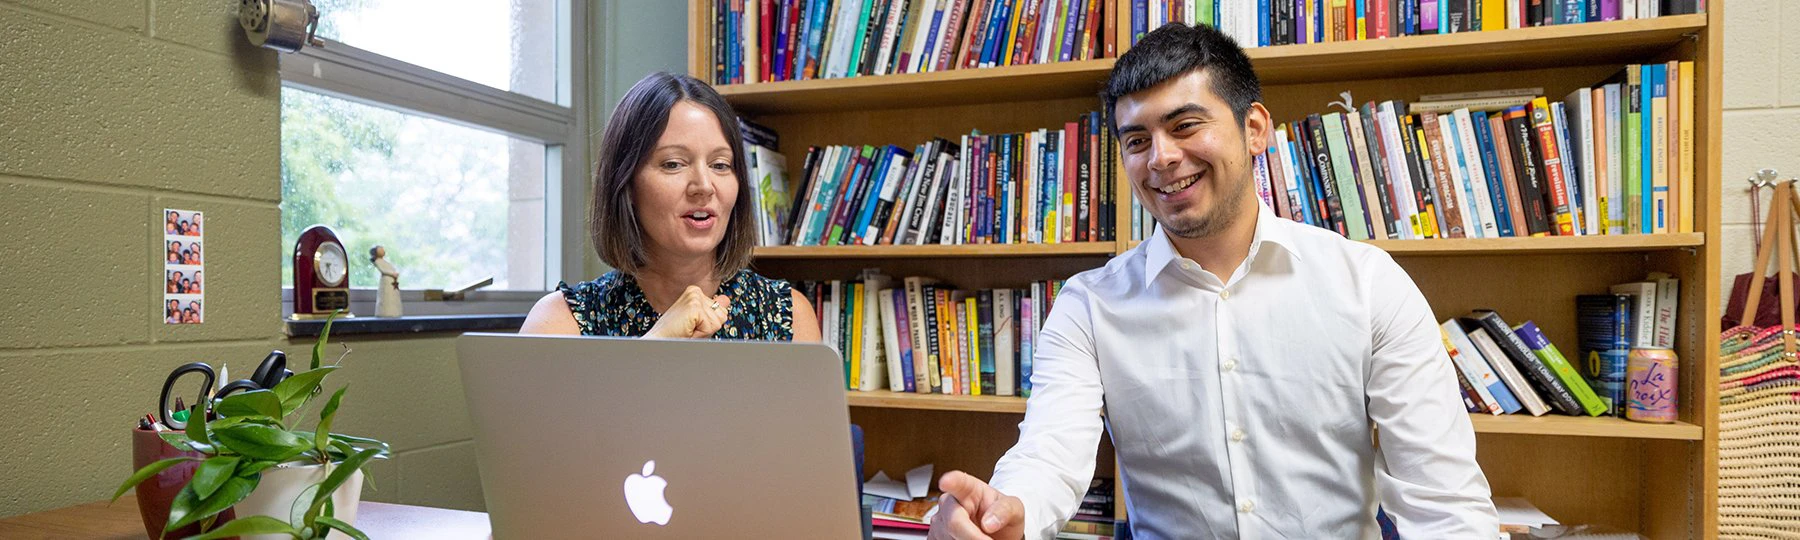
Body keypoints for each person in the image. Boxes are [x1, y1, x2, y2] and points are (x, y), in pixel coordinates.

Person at [928, 23, 1496, 540]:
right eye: (1137, 141)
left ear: (1254, 129)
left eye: (1185, 126)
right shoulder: (1088, 306)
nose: (1161, 158)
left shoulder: (1369, 283)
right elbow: (1049, 451)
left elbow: (1443, 501)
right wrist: (1007, 509)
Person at [521, 72, 820, 342]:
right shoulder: (559, 322)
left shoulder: (790, 317)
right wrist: (657, 342)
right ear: (626, 184)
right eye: (673, 164)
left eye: (720, 165)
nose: (704, 185)